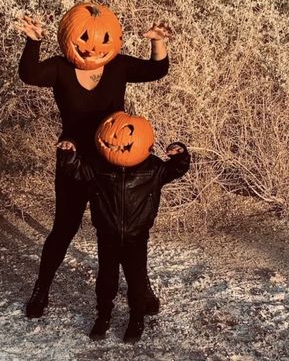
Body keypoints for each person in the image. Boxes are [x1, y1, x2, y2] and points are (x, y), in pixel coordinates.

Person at [16, 3, 172, 318]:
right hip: (74, 161)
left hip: (114, 167)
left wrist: (158, 42)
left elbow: (157, 70)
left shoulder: (118, 66)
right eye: (83, 37)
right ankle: (41, 289)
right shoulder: (60, 68)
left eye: (101, 39)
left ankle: (140, 290)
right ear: (69, 36)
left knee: (119, 233)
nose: (92, 47)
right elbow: (29, 74)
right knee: (64, 228)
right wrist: (33, 41)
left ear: (113, 39)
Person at [57, 113, 190, 343]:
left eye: (126, 132)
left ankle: (136, 318)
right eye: (111, 129)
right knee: (106, 280)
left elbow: (175, 170)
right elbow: (76, 169)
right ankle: (104, 317)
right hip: (106, 234)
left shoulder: (153, 169)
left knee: (137, 281)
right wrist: (68, 153)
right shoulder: (98, 167)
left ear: (144, 140)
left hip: (136, 236)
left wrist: (181, 154)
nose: (116, 137)